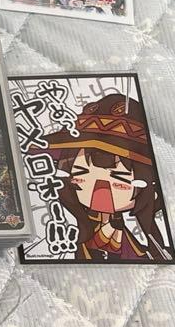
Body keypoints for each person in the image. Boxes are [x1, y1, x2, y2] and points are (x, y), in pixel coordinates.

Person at [39, 93, 170, 261]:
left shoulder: (143, 233)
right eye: (79, 177)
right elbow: (96, 243)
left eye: (120, 183)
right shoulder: (81, 223)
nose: (100, 191)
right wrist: (108, 231)